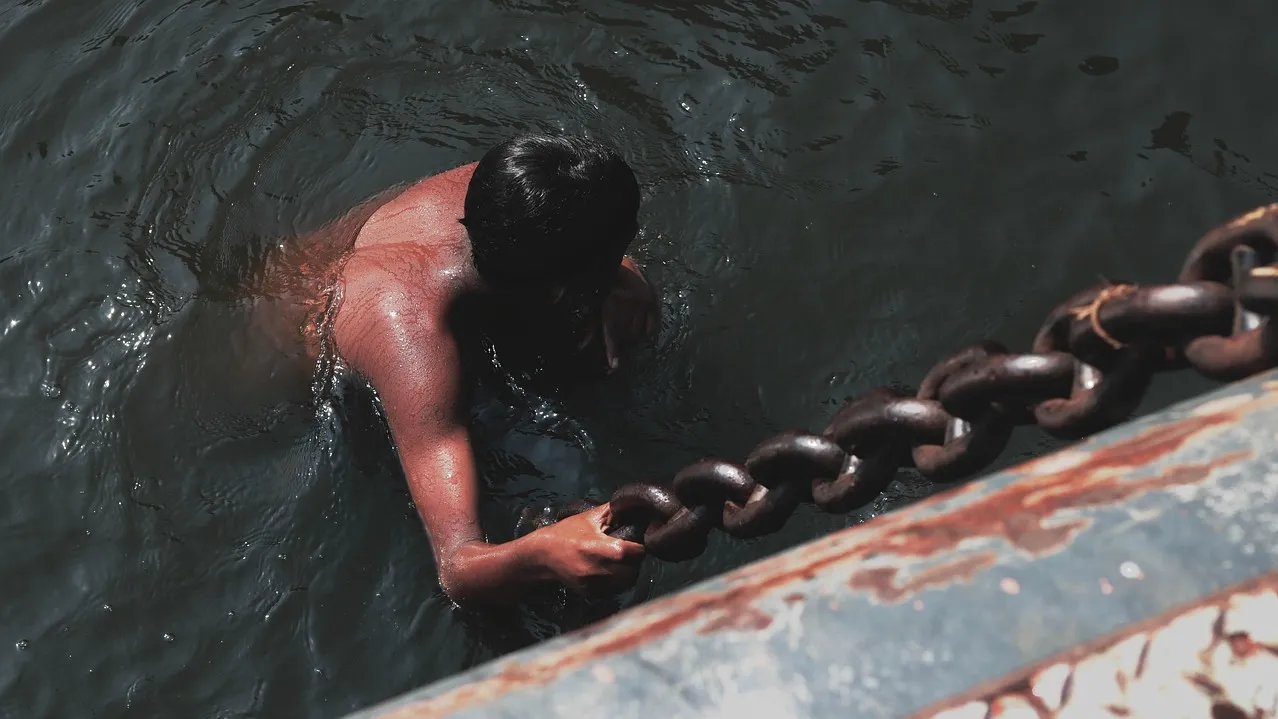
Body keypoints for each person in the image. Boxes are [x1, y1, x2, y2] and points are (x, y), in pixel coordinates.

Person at [329, 133, 655, 606]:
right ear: (559, 291)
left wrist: (622, 278)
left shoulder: (520, 190)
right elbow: (458, 569)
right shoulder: (411, 333)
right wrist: (545, 552)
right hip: (325, 358)